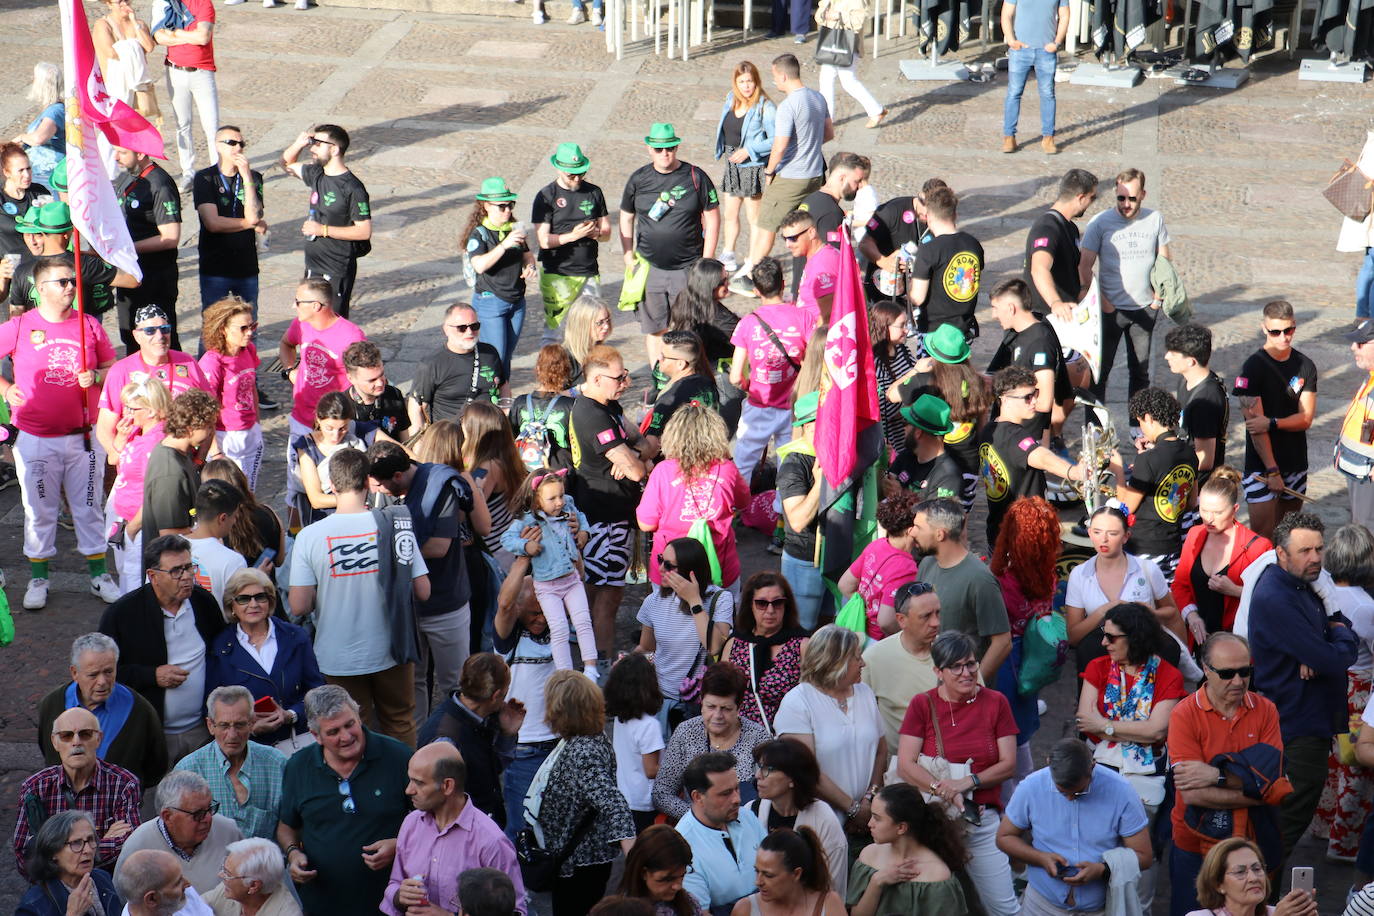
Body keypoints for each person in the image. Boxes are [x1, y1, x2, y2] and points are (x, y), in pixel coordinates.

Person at [0, 255, 119, 609]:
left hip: (83, 435)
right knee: (39, 509)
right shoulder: (21, 326)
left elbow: (112, 366)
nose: (70, 287)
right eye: (62, 282)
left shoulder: (88, 325)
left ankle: (100, 574)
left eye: (72, 281)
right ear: (40, 289)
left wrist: (96, 377)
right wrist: (6, 389)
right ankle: (39, 577)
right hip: (35, 438)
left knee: (88, 506)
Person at [289, 448, 429, 746]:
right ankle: (405, 787)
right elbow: (423, 590)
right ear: (367, 481)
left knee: (350, 731)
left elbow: (298, 605)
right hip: (393, 647)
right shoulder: (394, 524)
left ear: (332, 485)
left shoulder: (309, 536)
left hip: (337, 655)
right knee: (400, 721)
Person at [1248, 512, 1358, 858]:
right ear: (1281, 553)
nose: (1315, 558)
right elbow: (1336, 655)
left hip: (1308, 720)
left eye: (1318, 549)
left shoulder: (1303, 581)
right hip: (1295, 728)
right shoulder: (1277, 596)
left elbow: (1338, 624)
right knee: (1285, 828)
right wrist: (1330, 643)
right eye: (1304, 551)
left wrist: (1329, 637)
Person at [1167, 633, 1292, 916]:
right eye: (1227, 673)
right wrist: (1258, 788)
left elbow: (1275, 784)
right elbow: (1193, 794)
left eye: (1245, 671)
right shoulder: (1184, 715)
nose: (1238, 681)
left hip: (1252, 845)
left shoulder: (1266, 710)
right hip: (1195, 845)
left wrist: (1215, 776)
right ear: (1205, 670)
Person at [896, 630, 1019, 916]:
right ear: (938, 671)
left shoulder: (996, 702)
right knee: (930, 906)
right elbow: (906, 764)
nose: (967, 673)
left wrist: (967, 781)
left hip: (980, 819)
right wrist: (943, 789)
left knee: (1004, 908)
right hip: (935, 821)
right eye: (956, 666)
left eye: (971, 664)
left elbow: (1008, 763)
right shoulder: (922, 704)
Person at [1075, 603, 1187, 906]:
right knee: (1100, 842)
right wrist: (1128, 729)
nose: (1103, 643)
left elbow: (1157, 732)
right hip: (1102, 773)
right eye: (1104, 635)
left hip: (1146, 780)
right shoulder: (1098, 667)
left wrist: (1106, 727)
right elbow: (1086, 721)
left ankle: (1140, 909)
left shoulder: (1168, 674)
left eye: (1112, 637)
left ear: (1134, 638)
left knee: (1141, 850)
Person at [367, 438, 480, 718]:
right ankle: (416, 748)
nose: (376, 491)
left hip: (445, 605)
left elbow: (439, 546)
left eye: (381, 484)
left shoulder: (439, 487)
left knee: (455, 684)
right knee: (412, 683)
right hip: (408, 607)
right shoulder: (388, 487)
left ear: (397, 475)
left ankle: (453, 744)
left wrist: (386, 551)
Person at [276, 686, 412, 916]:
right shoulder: (298, 767)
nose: (346, 737)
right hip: (324, 905)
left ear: (359, 716)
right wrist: (292, 853)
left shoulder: (398, 757)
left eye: (350, 724)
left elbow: (432, 820)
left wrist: (399, 845)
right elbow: (287, 826)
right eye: (334, 732)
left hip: (391, 904)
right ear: (315, 735)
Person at [99, 533, 223, 761]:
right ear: (153, 576)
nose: (186, 577)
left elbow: (222, 653)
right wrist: (152, 675)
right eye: (176, 571)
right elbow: (103, 675)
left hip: (203, 731)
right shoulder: (123, 615)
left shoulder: (203, 603)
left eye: (189, 567)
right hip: (151, 735)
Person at [998, 738, 1154, 915]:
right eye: (1063, 792)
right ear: (1049, 764)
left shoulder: (1122, 791)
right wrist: (1040, 858)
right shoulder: (1030, 787)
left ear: (1093, 767)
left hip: (1099, 910)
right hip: (1041, 906)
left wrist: (1103, 870)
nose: (1071, 799)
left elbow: (1144, 856)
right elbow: (1004, 837)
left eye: (1079, 792)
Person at [530, 669, 636, 916]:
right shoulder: (591, 737)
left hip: (579, 864)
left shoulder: (583, 752)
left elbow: (613, 803)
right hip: (578, 859)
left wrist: (634, 856)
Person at [382, 742, 526, 916]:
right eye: (410, 780)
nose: (408, 790)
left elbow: (515, 912)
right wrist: (400, 896)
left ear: (448, 786)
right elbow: (395, 883)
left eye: (418, 783)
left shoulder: (491, 841)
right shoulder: (412, 823)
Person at [571, 345, 649, 662]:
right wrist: (635, 459)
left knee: (598, 591)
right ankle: (600, 666)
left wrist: (636, 455)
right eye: (619, 377)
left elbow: (643, 445)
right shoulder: (592, 415)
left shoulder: (609, 405)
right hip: (605, 519)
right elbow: (636, 468)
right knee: (607, 597)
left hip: (611, 515)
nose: (625, 382)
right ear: (599, 378)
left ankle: (590, 659)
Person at [620, 123, 721, 366]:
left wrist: (706, 261)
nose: (664, 153)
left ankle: (686, 373)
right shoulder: (639, 179)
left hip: (686, 267)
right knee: (655, 329)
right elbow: (626, 215)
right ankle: (659, 376)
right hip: (650, 267)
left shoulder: (695, 177)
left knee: (687, 327)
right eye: (658, 149)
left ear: (676, 148)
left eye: (670, 148)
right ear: (649, 149)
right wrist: (627, 253)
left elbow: (713, 216)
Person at [731, 55, 830, 294]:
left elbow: (780, 145)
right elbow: (828, 133)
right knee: (807, 224)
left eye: (775, 76)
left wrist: (769, 170)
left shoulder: (788, 106)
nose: (774, 81)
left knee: (767, 224)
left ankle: (751, 275)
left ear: (783, 76)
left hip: (791, 177)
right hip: (816, 173)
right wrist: (809, 146)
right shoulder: (818, 98)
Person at [774, 625, 886, 835]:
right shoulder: (798, 702)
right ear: (836, 663)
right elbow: (805, 770)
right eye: (856, 657)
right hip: (818, 822)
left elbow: (881, 750)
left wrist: (870, 799)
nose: (863, 663)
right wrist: (853, 809)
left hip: (868, 817)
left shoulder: (865, 693)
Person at [12, 707, 141, 877]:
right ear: (54, 742)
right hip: (53, 890)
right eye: (66, 736)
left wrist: (57, 852)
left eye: (85, 734)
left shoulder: (124, 784)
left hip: (106, 887)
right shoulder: (35, 787)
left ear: (98, 739)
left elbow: (131, 846)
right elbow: (24, 856)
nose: (76, 742)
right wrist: (102, 843)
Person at [206, 567, 323, 753]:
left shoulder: (295, 637)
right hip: (246, 749)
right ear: (232, 606)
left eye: (260, 597)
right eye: (244, 599)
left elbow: (316, 690)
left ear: (269, 601)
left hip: (295, 742)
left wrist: (291, 715)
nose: (253, 604)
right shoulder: (219, 647)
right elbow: (212, 705)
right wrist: (248, 729)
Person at [1081, 168, 1172, 402]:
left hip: (1144, 309)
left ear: (1143, 194)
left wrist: (1158, 297)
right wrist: (1105, 303)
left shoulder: (1154, 219)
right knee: (1100, 373)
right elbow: (1083, 266)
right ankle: (1096, 427)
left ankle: (1139, 428)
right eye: (1121, 198)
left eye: (1132, 198)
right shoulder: (1100, 222)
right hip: (1110, 311)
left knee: (1140, 372)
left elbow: (1164, 260)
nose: (1126, 204)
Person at [640, 404, 749, 594]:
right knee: (720, 622)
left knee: (670, 623)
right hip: (719, 569)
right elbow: (743, 502)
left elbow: (645, 523)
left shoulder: (663, 471)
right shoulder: (727, 469)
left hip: (670, 574)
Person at [1065, 504, 1187, 674]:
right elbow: (1073, 636)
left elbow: (1172, 613)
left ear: (1126, 536)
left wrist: (1149, 612)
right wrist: (1103, 612)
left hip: (1145, 659)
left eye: (1112, 533)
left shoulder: (1147, 569)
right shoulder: (1080, 574)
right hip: (1101, 664)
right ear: (1090, 533)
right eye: (1097, 532)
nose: (1104, 539)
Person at [1313, 524, 1374, 863]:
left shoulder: (1321, 591)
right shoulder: (1365, 607)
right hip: (1359, 691)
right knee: (1357, 769)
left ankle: (1324, 827)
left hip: (1331, 685)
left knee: (1334, 761)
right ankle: (1345, 843)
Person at [1233, 299, 1318, 540]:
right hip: (1261, 466)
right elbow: (1255, 428)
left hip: (1295, 462)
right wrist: (1272, 471)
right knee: (1261, 537)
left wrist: (1272, 422)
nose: (1283, 337)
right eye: (1275, 332)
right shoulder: (1253, 368)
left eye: (1288, 330)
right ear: (1264, 329)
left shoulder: (1305, 366)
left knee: (1288, 536)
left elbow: (1306, 418)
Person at [988, 496, 1060, 780]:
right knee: (1019, 733)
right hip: (1033, 657)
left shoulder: (1001, 576)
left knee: (1006, 730)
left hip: (1008, 656)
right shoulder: (1047, 573)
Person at [36, 632, 167, 787]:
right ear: (74, 673)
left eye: (108, 672)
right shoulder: (52, 704)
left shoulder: (139, 709)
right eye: (93, 675)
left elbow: (156, 765)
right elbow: (48, 752)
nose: (102, 682)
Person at [728, 257, 817, 483]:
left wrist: (750, 387)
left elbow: (735, 377)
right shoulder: (804, 317)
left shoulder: (747, 323)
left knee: (743, 463)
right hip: (794, 405)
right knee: (789, 464)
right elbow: (814, 361)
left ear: (756, 290)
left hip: (759, 404)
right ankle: (783, 511)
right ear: (784, 283)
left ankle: (736, 511)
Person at [637, 539, 736, 736]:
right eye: (660, 560)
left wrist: (694, 601)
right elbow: (646, 648)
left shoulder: (720, 599)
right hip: (661, 702)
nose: (661, 568)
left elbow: (715, 646)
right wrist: (626, 665)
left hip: (703, 705)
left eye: (669, 565)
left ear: (691, 570)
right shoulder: (653, 601)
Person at [978, 366, 1086, 546]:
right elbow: (1039, 456)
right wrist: (1073, 472)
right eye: (1027, 397)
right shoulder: (1014, 436)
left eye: (1035, 393)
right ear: (1005, 399)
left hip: (1001, 529)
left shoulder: (991, 429)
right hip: (1022, 535)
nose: (1035, 400)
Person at [416, 653, 526, 828]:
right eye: (505, 692)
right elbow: (435, 800)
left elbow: (486, 771)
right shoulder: (446, 741)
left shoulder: (481, 717)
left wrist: (507, 734)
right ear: (496, 695)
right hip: (463, 837)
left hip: (481, 825)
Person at [889, 324, 991, 510]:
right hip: (968, 462)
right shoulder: (978, 382)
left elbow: (891, 394)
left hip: (934, 463)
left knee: (925, 513)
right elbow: (982, 425)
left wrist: (915, 370)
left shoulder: (925, 380)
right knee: (958, 519)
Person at [911, 497, 1012, 683]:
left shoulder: (980, 580)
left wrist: (974, 683)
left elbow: (1002, 642)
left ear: (940, 534)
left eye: (918, 527)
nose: (911, 532)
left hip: (964, 699)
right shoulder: (926, 564)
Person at [96, 304, 212, 464]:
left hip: (183, 461)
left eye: (164, 329)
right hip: (139, 464)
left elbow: (210, 415)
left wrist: (200, 460)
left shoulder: (187, 362)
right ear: (137, 336)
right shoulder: (120, 370)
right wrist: (122, 460)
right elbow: (104, 429)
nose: (160, 336)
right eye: (150, 331)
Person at [655, 663, 770, 819]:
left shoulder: (758, 737)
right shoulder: (686, 732)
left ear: (739, 707)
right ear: (701, 703)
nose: (717, 715)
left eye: (726, 708)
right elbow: (662, 793)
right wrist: (698, 819)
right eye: (711, 706)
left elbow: (770, 795)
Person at [280, 124, 372, 317]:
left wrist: (322, 229)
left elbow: (364, 231)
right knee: (306, 319)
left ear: (334, 149)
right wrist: (299, 143)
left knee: (331, 322)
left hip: (337, 266)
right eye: (313, 143)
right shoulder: (317, 174)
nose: (312, 149)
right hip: (313, 264)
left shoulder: (353, 188)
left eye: (317, 144)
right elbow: (286, 164)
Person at [174, 686, 287, 841]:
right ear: (210, 726)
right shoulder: (188, 770)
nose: (232, 735)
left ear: (252, 723)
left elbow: (290, 824)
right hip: (212, 863)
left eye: (240, 725)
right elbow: (180, 833)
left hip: (267, 862)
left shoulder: (276, 763)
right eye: (224, 725)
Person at [1172, 467, 1271, 643]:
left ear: (1235, 509)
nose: (1209, 519)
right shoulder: (1195, 534)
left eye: (1218, 513)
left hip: (1238, 643)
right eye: (1204, 510)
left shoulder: (1259, 547)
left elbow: (1272, 599)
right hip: (1198, 641)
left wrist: (1235, 590)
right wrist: (1192, 616)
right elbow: (1180, 585)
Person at [1109, 386, 1199, 578]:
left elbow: (1125, 508)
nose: (1141, 426)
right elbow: (1191, 502)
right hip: (1173, 546)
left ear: (1149, 418)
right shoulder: (1190, 453)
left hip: (1144, 547)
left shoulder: (1148, 460)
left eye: (1141, 421)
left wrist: (1118, 472)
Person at [278, 277, 366, 472]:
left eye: (298, 301)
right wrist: (289, 370)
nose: (294, 305)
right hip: (301, 419)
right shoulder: (301, 324)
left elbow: (362, 376)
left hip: (334, 427)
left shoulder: (351, 337)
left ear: (316, 306)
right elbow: (286, 344)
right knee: (297, 484)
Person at [846, 783, 970, 916]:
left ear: (901, 828)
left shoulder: (937, 875)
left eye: (877, 818)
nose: (870, 824)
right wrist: (876, 882)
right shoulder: (869, 855)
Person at [532, 143, 611, 344]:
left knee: (594, 330)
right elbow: (543, 240)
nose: (577, 179)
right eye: (571, 175)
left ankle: (590, 372)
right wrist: (573, 236)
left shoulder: (594, 192)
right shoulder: (546, 196)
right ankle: (552, 374)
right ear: (558, 168)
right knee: (555, 332)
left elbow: (607, 233)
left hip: (588, 272)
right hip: (558, 274)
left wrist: (596, 233)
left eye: (581, 173)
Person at [748, 739, 848, 898]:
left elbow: (831, 887)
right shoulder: (751, 811)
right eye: (759, 767)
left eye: (768, 769)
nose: (758, 775)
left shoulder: (824, 819)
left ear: (793, 778)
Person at [116, 770, 244, 892]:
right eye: (198, 814)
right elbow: (126, 900)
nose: (208, 818)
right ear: (167, 816)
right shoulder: (138, 846)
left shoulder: (229, 832)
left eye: (210, 808)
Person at [674, 752, 767, 915]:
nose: (737, 799)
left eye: (737, 788)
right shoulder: (682, 845)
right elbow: (701, 913)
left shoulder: (746, 815)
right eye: (725, 793)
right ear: (697, 797)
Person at [462, 177, 537, 377]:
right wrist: (504, 245)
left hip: (516, 301)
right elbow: (479, 265)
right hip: (490, 302)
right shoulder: (480, 235)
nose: (508, 211)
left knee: (506, 357)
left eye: (510, 205)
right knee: (494, 358)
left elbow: (528, 255)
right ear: (486, 206)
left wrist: (530, 266)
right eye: (501, 206)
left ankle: (501, 399)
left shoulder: (513, 229)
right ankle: (490, 402)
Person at [112, 146, 183, 353]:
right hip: (129, 272)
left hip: (155, 276)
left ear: (141, 153)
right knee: (130, 332)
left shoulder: (160, 184)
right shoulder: (127, 177)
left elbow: (170, 237)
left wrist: (128, 248)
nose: (116, 157)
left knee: (160, 336)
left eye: (122, 152)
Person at [861, 581, 941, 757]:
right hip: (897, 774)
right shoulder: (874, 658)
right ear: (901, 620)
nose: (935, 623)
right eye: (926, 616)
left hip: (949, 769)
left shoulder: (954, 654)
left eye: (938, 613)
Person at [194, 127, 265, 320]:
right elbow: (213, 223)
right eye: (232, 143)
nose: (238, 148)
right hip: (215, 267)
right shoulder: (205, 178)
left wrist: (247, 177)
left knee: (249, 324)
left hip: (246, 266)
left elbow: (255, 214)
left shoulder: (254, 178)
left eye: (241, 143)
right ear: (217, 146)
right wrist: (250, 224)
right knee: (213, 325)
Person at [723, 572, 808, 731]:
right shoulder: (735, 642)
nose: (770, 610)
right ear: (750, 605)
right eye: (762, 603)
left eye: (777, 603)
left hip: (782, 740)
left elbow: (812, 699)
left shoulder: (802, 645)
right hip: (735, 735)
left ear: (786, 605)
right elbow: (720, 692)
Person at [714, 62, 775, 273]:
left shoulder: (765, 106)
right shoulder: (731, 99)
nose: (746, 86)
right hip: (732, 162)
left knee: (753, 218)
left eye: (749, 81)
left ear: (756, 81)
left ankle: (752, 260)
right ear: (735, 83)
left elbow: (776, 139)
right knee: (730, 213)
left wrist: (750, 150)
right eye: (742, 82)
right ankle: (728, 253)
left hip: (752, 165)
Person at [1164, 323, 1230, 514]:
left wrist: (1165, 461)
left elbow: (1205, 459)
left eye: (1173, 354)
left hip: (1197, 488)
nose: (1167, 357)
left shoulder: (1205, 400)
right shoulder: (1186, 381)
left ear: (1191, 361)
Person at [199, 298, 263, 488]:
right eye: (243, 328)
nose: (250, 332)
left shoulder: (248, 350)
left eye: (252, 325)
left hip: (250, 432)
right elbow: (205, 409)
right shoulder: (212, 362)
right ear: (223, 329)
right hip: (225, 437)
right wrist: (215, 451)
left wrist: (257, 425)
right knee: (231, 497)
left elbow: (252, 388)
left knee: (249, 493)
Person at [153, 0, 217, 191]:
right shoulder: (167, 3)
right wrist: (190, 36)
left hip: (202, 72)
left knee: (211, 126)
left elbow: (203, 37)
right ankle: (188, 171)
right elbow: (159, 37)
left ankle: (217, 171)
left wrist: (177, 33)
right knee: (182, 124)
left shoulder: (204, 4)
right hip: (175, 71)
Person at [902, 187, 983, 337]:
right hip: (964, 329)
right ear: (955, 214)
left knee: (929, 362)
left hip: (935, 332)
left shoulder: (928, 250)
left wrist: (904, 288)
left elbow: (917, 298)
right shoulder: (973, 244)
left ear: (928, 216)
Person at [839, 491, 921, 640]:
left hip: (857, 631)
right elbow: (886, 622)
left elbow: (844, 585)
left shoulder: (876, 545)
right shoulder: (906, 567)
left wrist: (866, 611)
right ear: (910, 530)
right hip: (878, 640)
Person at [142, 389, 220, 545]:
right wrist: (213, 532)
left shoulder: (180, 452)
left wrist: (202, 452)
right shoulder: (170, 473)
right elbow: (171, 533)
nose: (212, 431)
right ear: (191, 428)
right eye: (209, 426)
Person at [412, 302, 508, 425]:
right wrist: (419, 442)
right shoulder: (431, 364)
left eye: (474, 326)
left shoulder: (490, 353)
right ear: (446, 329)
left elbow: (503, 385)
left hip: (489, 432)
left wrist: (504, 412)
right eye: (461, 328)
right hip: (453, 437)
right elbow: (416, 408)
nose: (469, 332)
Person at [776, 392, 826, 628]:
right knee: (801, 634)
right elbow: (797, 520)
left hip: (835, 559)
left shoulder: (836, 454)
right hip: (806, 562)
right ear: (808, 425)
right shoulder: (794, 463)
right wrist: (820, 484)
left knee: (830, 632)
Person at [16, 811, 125, 916]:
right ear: (53, 852)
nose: (88, 850)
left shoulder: (102, 878)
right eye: (76, 843)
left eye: (91, 839)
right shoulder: (33, 906)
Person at [1023, 170, 1098, 319]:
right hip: (1047, 317)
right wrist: (1056, 303)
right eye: (1092, 197)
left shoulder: (1071, 228)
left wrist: (1083, 290)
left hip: (1066, 313)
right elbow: (1039, 269)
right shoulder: (1047, 228)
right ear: (1081, 198)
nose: (1092, 202)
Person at [605, 653, 667, 832]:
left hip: (624, 795)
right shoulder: (649, 725)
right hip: (645, 802)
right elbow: (651, 770)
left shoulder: (621, 718)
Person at [1001, 0, 1069, 157]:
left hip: (1046, 51)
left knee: (1047, 94)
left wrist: (1057, 42)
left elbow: (1064, 16)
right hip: (1020, 51)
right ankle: (1009, 137)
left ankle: (1048, 138)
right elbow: (1006, 14)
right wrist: (1011, 40)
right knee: (1014, 93)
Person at [1186, 837, 1318, 916]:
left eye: (1257, 868)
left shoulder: (1277, 912)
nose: (1254, 878)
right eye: (1240, 872)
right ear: (1218, 884)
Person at [643, 328, 722, 459]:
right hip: (705, 456)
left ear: (681, 364)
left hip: (677, 464)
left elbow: (653, 446)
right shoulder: (707, 383)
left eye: (663, 356)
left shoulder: (670, 398)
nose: (659, 358)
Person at [732, 827, 845, 916]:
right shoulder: (745, 909)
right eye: (757, 871)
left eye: (768, 875)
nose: (758, 882)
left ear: (796, 874)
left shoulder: (829, 904)